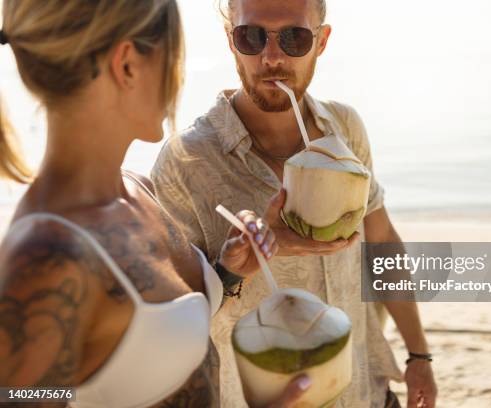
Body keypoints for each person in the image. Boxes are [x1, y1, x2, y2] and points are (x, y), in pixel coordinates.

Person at [0, 1, 308, 407]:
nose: (179, 79)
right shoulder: (48, 256)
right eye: (175, 58)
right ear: (128, 64)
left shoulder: (135, 189)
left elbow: (145, 333)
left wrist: (228, 272)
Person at [152, 0, 438, 407]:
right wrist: (236, 268)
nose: (272, 58)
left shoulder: (345, 130)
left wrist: (418, 354)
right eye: (251, 37)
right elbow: (173, 319)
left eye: (294, 37)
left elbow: (382, 242)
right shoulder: (186, 161)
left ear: (321, 41)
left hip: (366, 391)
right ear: (230, 40)